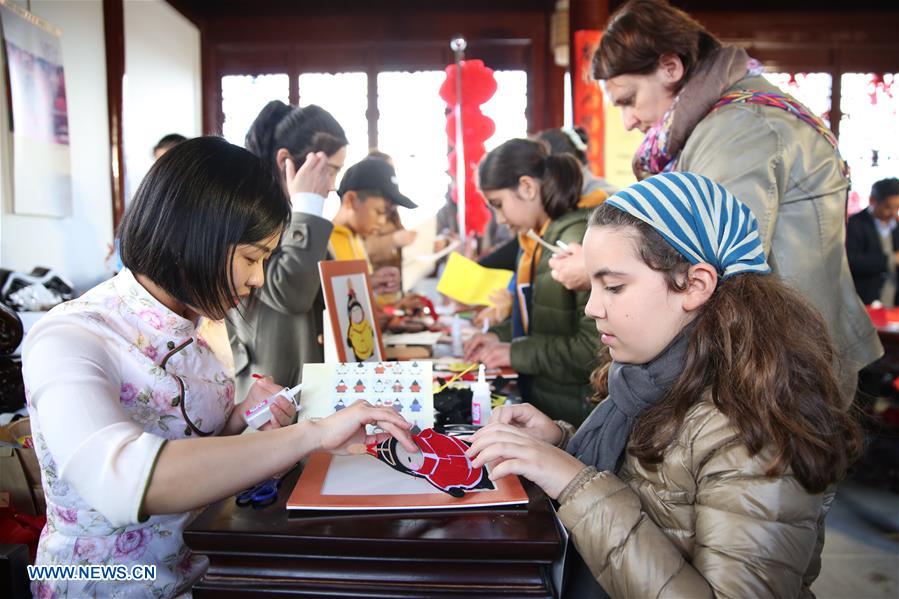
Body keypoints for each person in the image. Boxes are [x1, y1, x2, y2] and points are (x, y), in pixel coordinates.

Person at [22, 137, 415, 598]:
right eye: (252, 258)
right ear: (194, 233)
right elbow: (122, 476)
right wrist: (311, 434)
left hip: (209, 563)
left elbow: (187, 434)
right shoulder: (71, 335)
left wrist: (241, 415)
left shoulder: (196, 323)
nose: (257, 279)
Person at [467, 172, 862, 598]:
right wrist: (560, 443)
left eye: (614, 286)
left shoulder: (754, 427)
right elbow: (655, 487)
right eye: (594, 284)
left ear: (694, 285)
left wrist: (574, 482)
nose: (593, 306)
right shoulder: (650, 377)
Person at [547, 0, 882, 404]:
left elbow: (708, 255)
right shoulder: (723, 121)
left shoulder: (740, 127)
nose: (628, 121)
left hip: (786, 361)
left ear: (671, 68)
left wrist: (600, 270)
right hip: (775, 351)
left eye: (629, 98)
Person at [463, 138, 605, 425]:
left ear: (527, 187)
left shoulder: (572, 240)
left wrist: (515, 352)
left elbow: (592, 351)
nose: (500, 219)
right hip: (550, 404)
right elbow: (541, 317)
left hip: (577, 415)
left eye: (498, 204)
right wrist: (500, 335)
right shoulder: (538, 239)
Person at [226, 101, 348, 400]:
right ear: (286, 161)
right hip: (270, 387)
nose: (332, 185)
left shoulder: (297, 218)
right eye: (329, 170)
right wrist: (308, 205)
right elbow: (291, 292)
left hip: (303, 380)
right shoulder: (245, 214)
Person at [328, 157, 417, 301]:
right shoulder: (325, 243)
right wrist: (366, 283)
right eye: (380, 212)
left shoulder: (356, 240)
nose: (382, 221)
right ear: (350, 200)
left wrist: (395, 307)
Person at [362, 150, 418, 273]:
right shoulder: (363, 209)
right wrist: (393, 240)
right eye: (387, 169)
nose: (392, 173)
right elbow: (362, 248)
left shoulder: (392, 209)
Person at [847, 177, 899, 306]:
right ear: (872, 201)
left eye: (897, 207)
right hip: (866, 298)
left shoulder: (897, 225)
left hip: (894, 298)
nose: (893, 212)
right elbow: (852, 261)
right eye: (888, 207)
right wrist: (891, 260)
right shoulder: (856, 223)